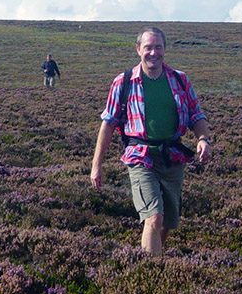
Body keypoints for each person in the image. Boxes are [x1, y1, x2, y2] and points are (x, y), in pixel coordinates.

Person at [89, 27, 211, 256]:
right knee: (153, 217)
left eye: (158, 47)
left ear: (165, 50)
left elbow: (197, 115)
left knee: (168, 222)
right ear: (138, 50)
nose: (153, 53)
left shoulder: (179, 79)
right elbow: (108, 124)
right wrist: (97, 165)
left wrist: (203, 139)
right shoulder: (124, 82)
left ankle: (150, 256)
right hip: (140, 155)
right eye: (148, 47)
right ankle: (150, 272)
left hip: (172, 156)